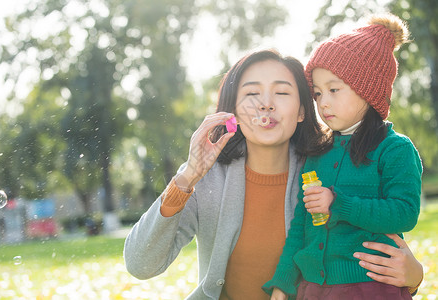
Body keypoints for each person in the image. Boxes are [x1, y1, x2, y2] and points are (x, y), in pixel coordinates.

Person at [123, 49, 423, 300]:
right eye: (252, 93)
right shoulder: (206, 178)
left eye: (281, 92)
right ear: (235, 112)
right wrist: (188, 176)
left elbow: (377, 232)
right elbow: (140, 264)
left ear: (303, 110)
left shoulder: (324, 171)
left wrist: (413, 275)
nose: (266, 104)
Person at [263, 14, 423, 300]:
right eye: (317, 93)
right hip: (313, 290)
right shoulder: (318, 154)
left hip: (371, 288)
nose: (323, 102)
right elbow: (301, 225)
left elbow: (405, 213)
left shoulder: (395, 149)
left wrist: (339, 204)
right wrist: (282, 283)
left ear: (368, 90)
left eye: (334, 90)